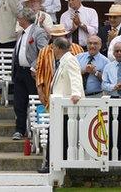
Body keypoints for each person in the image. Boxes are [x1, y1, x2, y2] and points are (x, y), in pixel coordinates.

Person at [38, 37, 83, 174]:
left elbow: (75, 77)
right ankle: (50, 163)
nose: (53, 51)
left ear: (57, 48)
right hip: (59, 108)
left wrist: (76, 93)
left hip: (65, 109)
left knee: (59, 136)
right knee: (56, 135)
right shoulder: (63, 60)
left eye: (53, 49)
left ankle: (51, 164)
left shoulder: (70, 59)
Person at [11, 8, 48, 140]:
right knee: (19, 103)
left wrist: (34, 67)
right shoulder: (22, 33)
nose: (18, 20)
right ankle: (19, 130)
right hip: (19, 71)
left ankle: (35, 129)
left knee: (35, 102)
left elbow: (44, 52)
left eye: (19, 18)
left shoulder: (38, 32)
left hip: (32, 73)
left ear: (25, 19)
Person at [34, 24, 84, 107]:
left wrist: (76, 93)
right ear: (52, 37)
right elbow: (40, 73)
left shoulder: (77, 50)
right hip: (51, 92)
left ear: (65, 36)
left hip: (68, 96)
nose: (58, 39)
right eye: (55, 37)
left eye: (61, 36)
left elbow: (76, 76)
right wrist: (40, 92)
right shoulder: (44, 51)